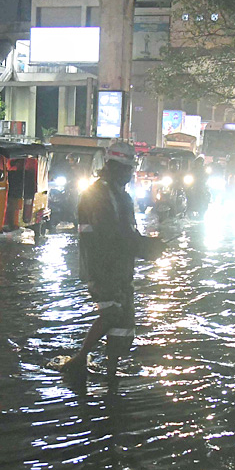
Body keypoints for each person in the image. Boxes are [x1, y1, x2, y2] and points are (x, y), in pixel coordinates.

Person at [61, 141, 163, 391]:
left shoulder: (121, 196)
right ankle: (80, 358)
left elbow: (126, 233)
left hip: (119, 268)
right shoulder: (98, 195)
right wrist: (144, 248)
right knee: (112, 314)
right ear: (114, 167)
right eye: (127, 170)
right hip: (102, 266)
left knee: (123, 324)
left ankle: (111, 373)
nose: (130, 175)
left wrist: (145, 247)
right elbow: (110, 235)